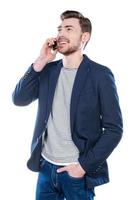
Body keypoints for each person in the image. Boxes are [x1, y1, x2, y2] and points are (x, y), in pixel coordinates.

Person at [12, 10, 123, 200]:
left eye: (69, 29)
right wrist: (41, 60)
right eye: (60, 29)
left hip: (76, 172)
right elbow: (19, 99)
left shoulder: (100, 75)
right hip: (45, 167)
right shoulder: (48, 71)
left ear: (84, 37)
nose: (61, 33)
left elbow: (114, 129)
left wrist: (83, 167)